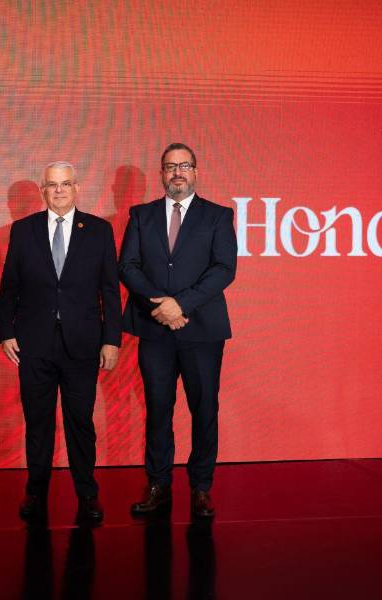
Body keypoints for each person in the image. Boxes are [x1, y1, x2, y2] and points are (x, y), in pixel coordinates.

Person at [0, 161, 122, 525]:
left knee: (80, 421)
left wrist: (111, 340)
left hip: (82, 344)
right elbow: (10, 288)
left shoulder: (99, 231)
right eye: (52, 185)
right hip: (34, 345)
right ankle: (36, 491)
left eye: (66, 184)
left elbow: (110, 292)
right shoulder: (23, 230)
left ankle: (87, 492)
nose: (59, 191)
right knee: (38, 422)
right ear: (42, 190)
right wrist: (6, 331)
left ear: (77, 188)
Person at [119, 143, 237, 519]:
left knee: (204, 409)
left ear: (196, 171)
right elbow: (128, 266)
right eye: (170, 167)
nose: (177, 173)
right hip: (154, 330)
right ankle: (158, 484)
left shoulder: (218, 216)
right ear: (161, 174)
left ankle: (201, 487)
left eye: (184, 166)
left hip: (201, 331)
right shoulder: (141, 215)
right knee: (157, 409)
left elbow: (224, 269)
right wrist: (161, 305)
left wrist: (180, 304)